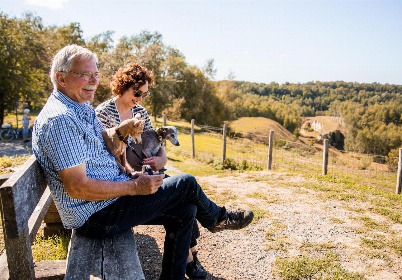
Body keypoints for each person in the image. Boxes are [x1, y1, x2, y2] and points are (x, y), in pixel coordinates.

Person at [32, 44, 253, 280]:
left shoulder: (80, 106)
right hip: (94, 214)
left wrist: (120, 132)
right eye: (85, 74)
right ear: (61, 78)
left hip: (109, 197)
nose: (94, 81)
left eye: (96, 74)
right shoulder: (60, 120)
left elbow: (104, 142)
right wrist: (134, 187)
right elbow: (78, 187)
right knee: (186, 183)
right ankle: (218, 218)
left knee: (185, 210)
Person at [96, 63, 207, 279]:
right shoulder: (104, 112)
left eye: (144, 94)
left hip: (145, 173)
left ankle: (190, 255)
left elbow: (153, 145)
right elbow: (107, 156)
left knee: (185, 199)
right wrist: (131, 174)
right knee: (185, 194)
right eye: (137, 92)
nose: (140, 98)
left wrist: (160, 158)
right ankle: (192, 255)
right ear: (122, 86)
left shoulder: (140, 111)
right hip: (125, 181)